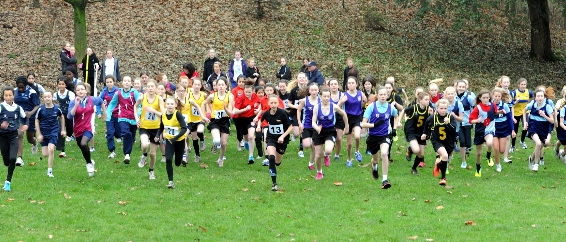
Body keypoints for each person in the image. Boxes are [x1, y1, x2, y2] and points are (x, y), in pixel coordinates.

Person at [361, 86, 399, 189]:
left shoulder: (391, 107)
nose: (383, 96)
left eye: (385, 94)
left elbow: (396, 116)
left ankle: (385, 180)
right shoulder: (371, 107)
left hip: (385, 135)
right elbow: (363, 124)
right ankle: (374, 166)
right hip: (373, 136)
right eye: (381, 94)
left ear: (387, 95)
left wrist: (394, 128)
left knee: (384, 153)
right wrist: (374, 125)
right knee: (375, 159)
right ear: (377, 95)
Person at [68, 83, 106, 177]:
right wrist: (76, 105)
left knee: (84, 143)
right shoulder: (73, 102)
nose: (80, 91)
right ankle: (90, 161)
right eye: (78, 90)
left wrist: (104, 113)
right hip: (77, 130)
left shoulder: (92, 99)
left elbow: (101, 101)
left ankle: (89, 165)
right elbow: (69, 116)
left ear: (86, 91)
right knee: (83, 149)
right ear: (75, 92)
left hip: (88, 128)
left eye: (82, 89)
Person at [312, 87, 349, 180]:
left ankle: (326, 155)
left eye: (328, 96)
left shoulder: (334, 106)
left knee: (328, 150)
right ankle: (319, 172)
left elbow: (344, 114)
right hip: (319, 132)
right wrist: (317, 127)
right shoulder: (316, 107)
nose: (326, 98)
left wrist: (347, 126)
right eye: (324, 96)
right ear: (320, 97)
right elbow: (313, 122)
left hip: (330, 131)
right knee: (317, 155)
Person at [260, 94, 293, 191]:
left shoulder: (283, 113)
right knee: (271, 157)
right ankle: (274, 183)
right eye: (271, 103)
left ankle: (276, 164)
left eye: (275, 103)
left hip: (282, 140)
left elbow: (291, 126)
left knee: (277, 162)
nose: (273, 105)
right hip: (271, 139)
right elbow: (260, 119)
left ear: (278, 103)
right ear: (268, 103)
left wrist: (282, 136)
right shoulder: (267, 113)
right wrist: (258, 125)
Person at [421, 99, 458, 186]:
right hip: (437, 141)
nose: (443, 110)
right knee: (444, 155)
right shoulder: (432, 118)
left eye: (445, 108)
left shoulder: (450, 117)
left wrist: (448, 124)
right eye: (441, 108)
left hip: (448, 142)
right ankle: (443, 178)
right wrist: (424, 133)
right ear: (437, 108)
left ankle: (438, 165)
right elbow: (426, 124)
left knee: (446, 158)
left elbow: (454, 130)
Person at [106, 76, 141, 164]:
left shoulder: (134, 93)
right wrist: (108, 114)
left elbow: (139, 105)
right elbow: (112, 104)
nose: (126, 82)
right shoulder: (118, 93)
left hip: (133, 119)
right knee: (126, 133)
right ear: (122, 83)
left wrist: (138, 115)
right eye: (125, 81)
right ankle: (127, 154)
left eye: (128, 81)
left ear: (131, 83)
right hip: (122, 117)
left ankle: (129, 146)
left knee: (131, 136)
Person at [0, 86, 28, 191]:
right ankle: (8, 163)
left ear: (13, 96)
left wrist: (25, 125)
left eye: (10, 95)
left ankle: (8, 182)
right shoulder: (1, 107)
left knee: (13, 158)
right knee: (7, 161)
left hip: (13, 136)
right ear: (3, 96)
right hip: (2, 136)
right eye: (6, 95)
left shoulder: (18, 108)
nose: (8, 97)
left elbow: (25, 118)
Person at [134, 80, 164, 179]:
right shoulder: (142, 97)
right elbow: (135, 106)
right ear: (146, 88)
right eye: (148, 86)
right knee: (145, 144)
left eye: (152, 87)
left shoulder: (159, 99)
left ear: (156, 88)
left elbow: (163, 114)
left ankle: (151, 171)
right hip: (144, 127)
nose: (150, 88)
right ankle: (143, 155)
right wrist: (137, 119)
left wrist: (153, 110)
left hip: (156, 128)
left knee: (153, 153)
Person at [156, 97, 188, 189]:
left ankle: (182, 156)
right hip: (169, 140)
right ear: (165, 105)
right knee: (168, 159)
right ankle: (170, 181)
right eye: (168, 104)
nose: (169, 106)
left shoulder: (178, 115)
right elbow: (161, 127)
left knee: (177, 163)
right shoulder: (163, 115)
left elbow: (184, 128)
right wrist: (158, 135)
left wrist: (175, 138)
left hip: (179, 141)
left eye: (171, 104)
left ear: (175, 105)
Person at [202, 77, 234, 166]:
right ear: (216, 86)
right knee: (216, 140)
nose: (220, 87)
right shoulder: (213, 96)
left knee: (223, 143)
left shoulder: (230, 97)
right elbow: (204, 103)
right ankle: (214, 144)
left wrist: (225, 108)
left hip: (225, 121)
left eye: (222, 85)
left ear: (226, 86)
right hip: (215, 121)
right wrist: (204, 115)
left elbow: (231, 113)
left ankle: (220, 159)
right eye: (218, 85)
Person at [35, 91, 66, 178]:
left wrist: (62, 129)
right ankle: (50, 153)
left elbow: (62, 117)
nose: (47, 98)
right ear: (43, 99)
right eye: (45, 97)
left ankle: (49, 171)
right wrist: (39, 134)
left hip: (54, 131)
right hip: (44, 132)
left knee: (51, 149)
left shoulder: (57, 108)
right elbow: (36, 120)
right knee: (45, 154)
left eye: (49, 96)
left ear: (52, 97)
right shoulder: (41, 109)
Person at [469, 89, 497, 177]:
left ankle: (488, 156)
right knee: (478, 153)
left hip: (489, 129)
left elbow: (495, 112)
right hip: (480, 130)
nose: (486, 99)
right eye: (484, 98)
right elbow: (471, 120)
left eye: (487, 98)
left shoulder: (493, 105)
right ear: (480, 98)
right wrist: (477, 120)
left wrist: (501, 112)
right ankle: (478, 167)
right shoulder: (477, 108)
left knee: (489, 143)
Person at [524, 89, 554, 172]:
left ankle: (532, 158)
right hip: (533, 127)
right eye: (538, 96)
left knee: (541, 145)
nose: (540, 98)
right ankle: (536, 164)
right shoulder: (532, 104)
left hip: (543, 128)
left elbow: (552, 121)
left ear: (544, 97)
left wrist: (544, 115)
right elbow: (524, 110)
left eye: (541, 96)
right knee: (538, 143)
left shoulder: (547, 107)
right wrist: (525, 122)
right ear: (535, 98)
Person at [339, 77, 367, 164]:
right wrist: (341, 102)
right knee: (349, 143)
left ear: (356, 84)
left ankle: (357, 151)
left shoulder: (360, 93)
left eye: (352, 83)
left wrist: (364, 101)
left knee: (357, 136)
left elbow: (364, 103)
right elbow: (336, 107)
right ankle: (349, 159)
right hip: (347, 119)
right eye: (349, 83)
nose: (351, 85)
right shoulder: (344, 95)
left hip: (357, 118)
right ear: (347, 85)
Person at [14, 76, 40, 166]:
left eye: (22, 87)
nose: (20, 89)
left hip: (29, 117)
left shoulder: (32, 92)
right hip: (19, 117)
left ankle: (34, 142)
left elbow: (37, 105)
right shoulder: (14, 91)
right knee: (19, 134)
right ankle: (19, 158)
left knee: (29, 138)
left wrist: (31, 112)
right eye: (19, 87)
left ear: (26, 85)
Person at [404, 92, 432, 175]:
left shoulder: (429, 109)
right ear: (420, 100)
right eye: (426, 100)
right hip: (411, 130)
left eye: (429, 100)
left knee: (421, 154)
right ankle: (410, 149)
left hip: (422, 132)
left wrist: (432, 114)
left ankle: (413, 169)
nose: (428, 101)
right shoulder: (414, 108)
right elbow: (403, 111)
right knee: (416, 150)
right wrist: (399, 122)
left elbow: (431, 121)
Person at [233, 82, 261, 164]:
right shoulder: (240, 98)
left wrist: (258, 109)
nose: (247, 94)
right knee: (246, 137)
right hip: (242, 119)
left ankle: (251, 156)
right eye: (246, 92)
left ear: (253, 91)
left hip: (251, 119)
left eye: (249, 92)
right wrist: (245, 109)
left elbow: (260, 104)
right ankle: (245, 141)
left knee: (251, 137)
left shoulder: (255, 96)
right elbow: (235, 111)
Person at [296, 83, 320, 170]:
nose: (314, 92)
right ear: (309, 91)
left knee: (314, 146)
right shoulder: (304, 101)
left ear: (318, 90)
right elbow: (298, 110)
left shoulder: (321, 100)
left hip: (316, 126)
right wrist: (299, 123)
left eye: (315, 90)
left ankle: (311, 163)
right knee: (306, 145)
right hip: (306, 125)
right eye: (312, 90)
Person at [98, 75, 121, 158]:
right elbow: (98, 102)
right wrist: (99, 112)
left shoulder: (118, 91)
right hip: (108, 115)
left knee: (118, 133)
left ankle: (118, 136)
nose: (109, 84)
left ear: (114, 82)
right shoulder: (104, 92)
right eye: (107, 82)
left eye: (110, 82)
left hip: (118, 114)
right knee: (110, 133)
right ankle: (112, 150)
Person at [186, 78, 209, 163]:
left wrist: (208, 113)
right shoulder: (188, 95)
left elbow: (208, 103)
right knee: (194, 138)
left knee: (200, 131)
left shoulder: (204, 95)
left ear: (201, 86)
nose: (196, 86)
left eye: (198, 85)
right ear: (192, 85)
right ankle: (197, 155)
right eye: (195, 84)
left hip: (201, 118)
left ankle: (202, 140)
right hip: (191, 120)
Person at [491, 88, 514, 173]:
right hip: (494, 129)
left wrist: (512, 130)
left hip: (503, 129)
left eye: (499, 96)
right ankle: (498, 165)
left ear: (501, 97)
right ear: (492, 96)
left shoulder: (505, 105)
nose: (497, 98)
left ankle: (499, 159)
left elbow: (509, 119)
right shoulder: (490, 105)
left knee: (501, 150)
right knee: (496, 148)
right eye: (495, 96)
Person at [455, 79, 476, 168]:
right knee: (462, 142)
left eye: (463, 87)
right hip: (457, 123)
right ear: (456, 87)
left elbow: (475, 107)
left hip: (467, 122)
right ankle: (463, 162)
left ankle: (464, 148)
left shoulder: (469, 97)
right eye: (459, 86)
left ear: (466, 87)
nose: (461, 88)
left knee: (468, 144)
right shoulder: (454, 96)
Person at [287, 73, 308, 157]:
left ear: (305, 79)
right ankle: (294, 135)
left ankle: (301, 150)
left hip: (306, 113)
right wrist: (295, 106)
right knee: (296, 133)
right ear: (297, 79)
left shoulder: (308, 89)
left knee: (302, 131)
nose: (302, 79)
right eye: (300, 78)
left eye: (303, 78)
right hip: (295, 113)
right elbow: (289, 104)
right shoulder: (293, 90)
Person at [54, 76, 75, 155]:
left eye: (63, 84)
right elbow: (54, 103)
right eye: (59, 84)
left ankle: (70, 135)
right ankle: (62, 149)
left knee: (69, 130)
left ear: (66, 85)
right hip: (60, 115)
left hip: (69, 114)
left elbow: (73, 104)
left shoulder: (70, 94)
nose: (61, 86)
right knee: (60, 131)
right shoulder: (56, 94)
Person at [510, 78, 533, 151]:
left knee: (526, 127)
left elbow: (533, 98)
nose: (523, 86)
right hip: (516, 113)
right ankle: (513, 145)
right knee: (515, 130)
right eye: (522, 84)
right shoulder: (514, 93)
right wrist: (515, 102)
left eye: (524, 84)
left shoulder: (528, 92)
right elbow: (510, 103)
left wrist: (530, 104)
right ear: (518, 85)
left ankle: (522, 141)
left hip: (525, 112)